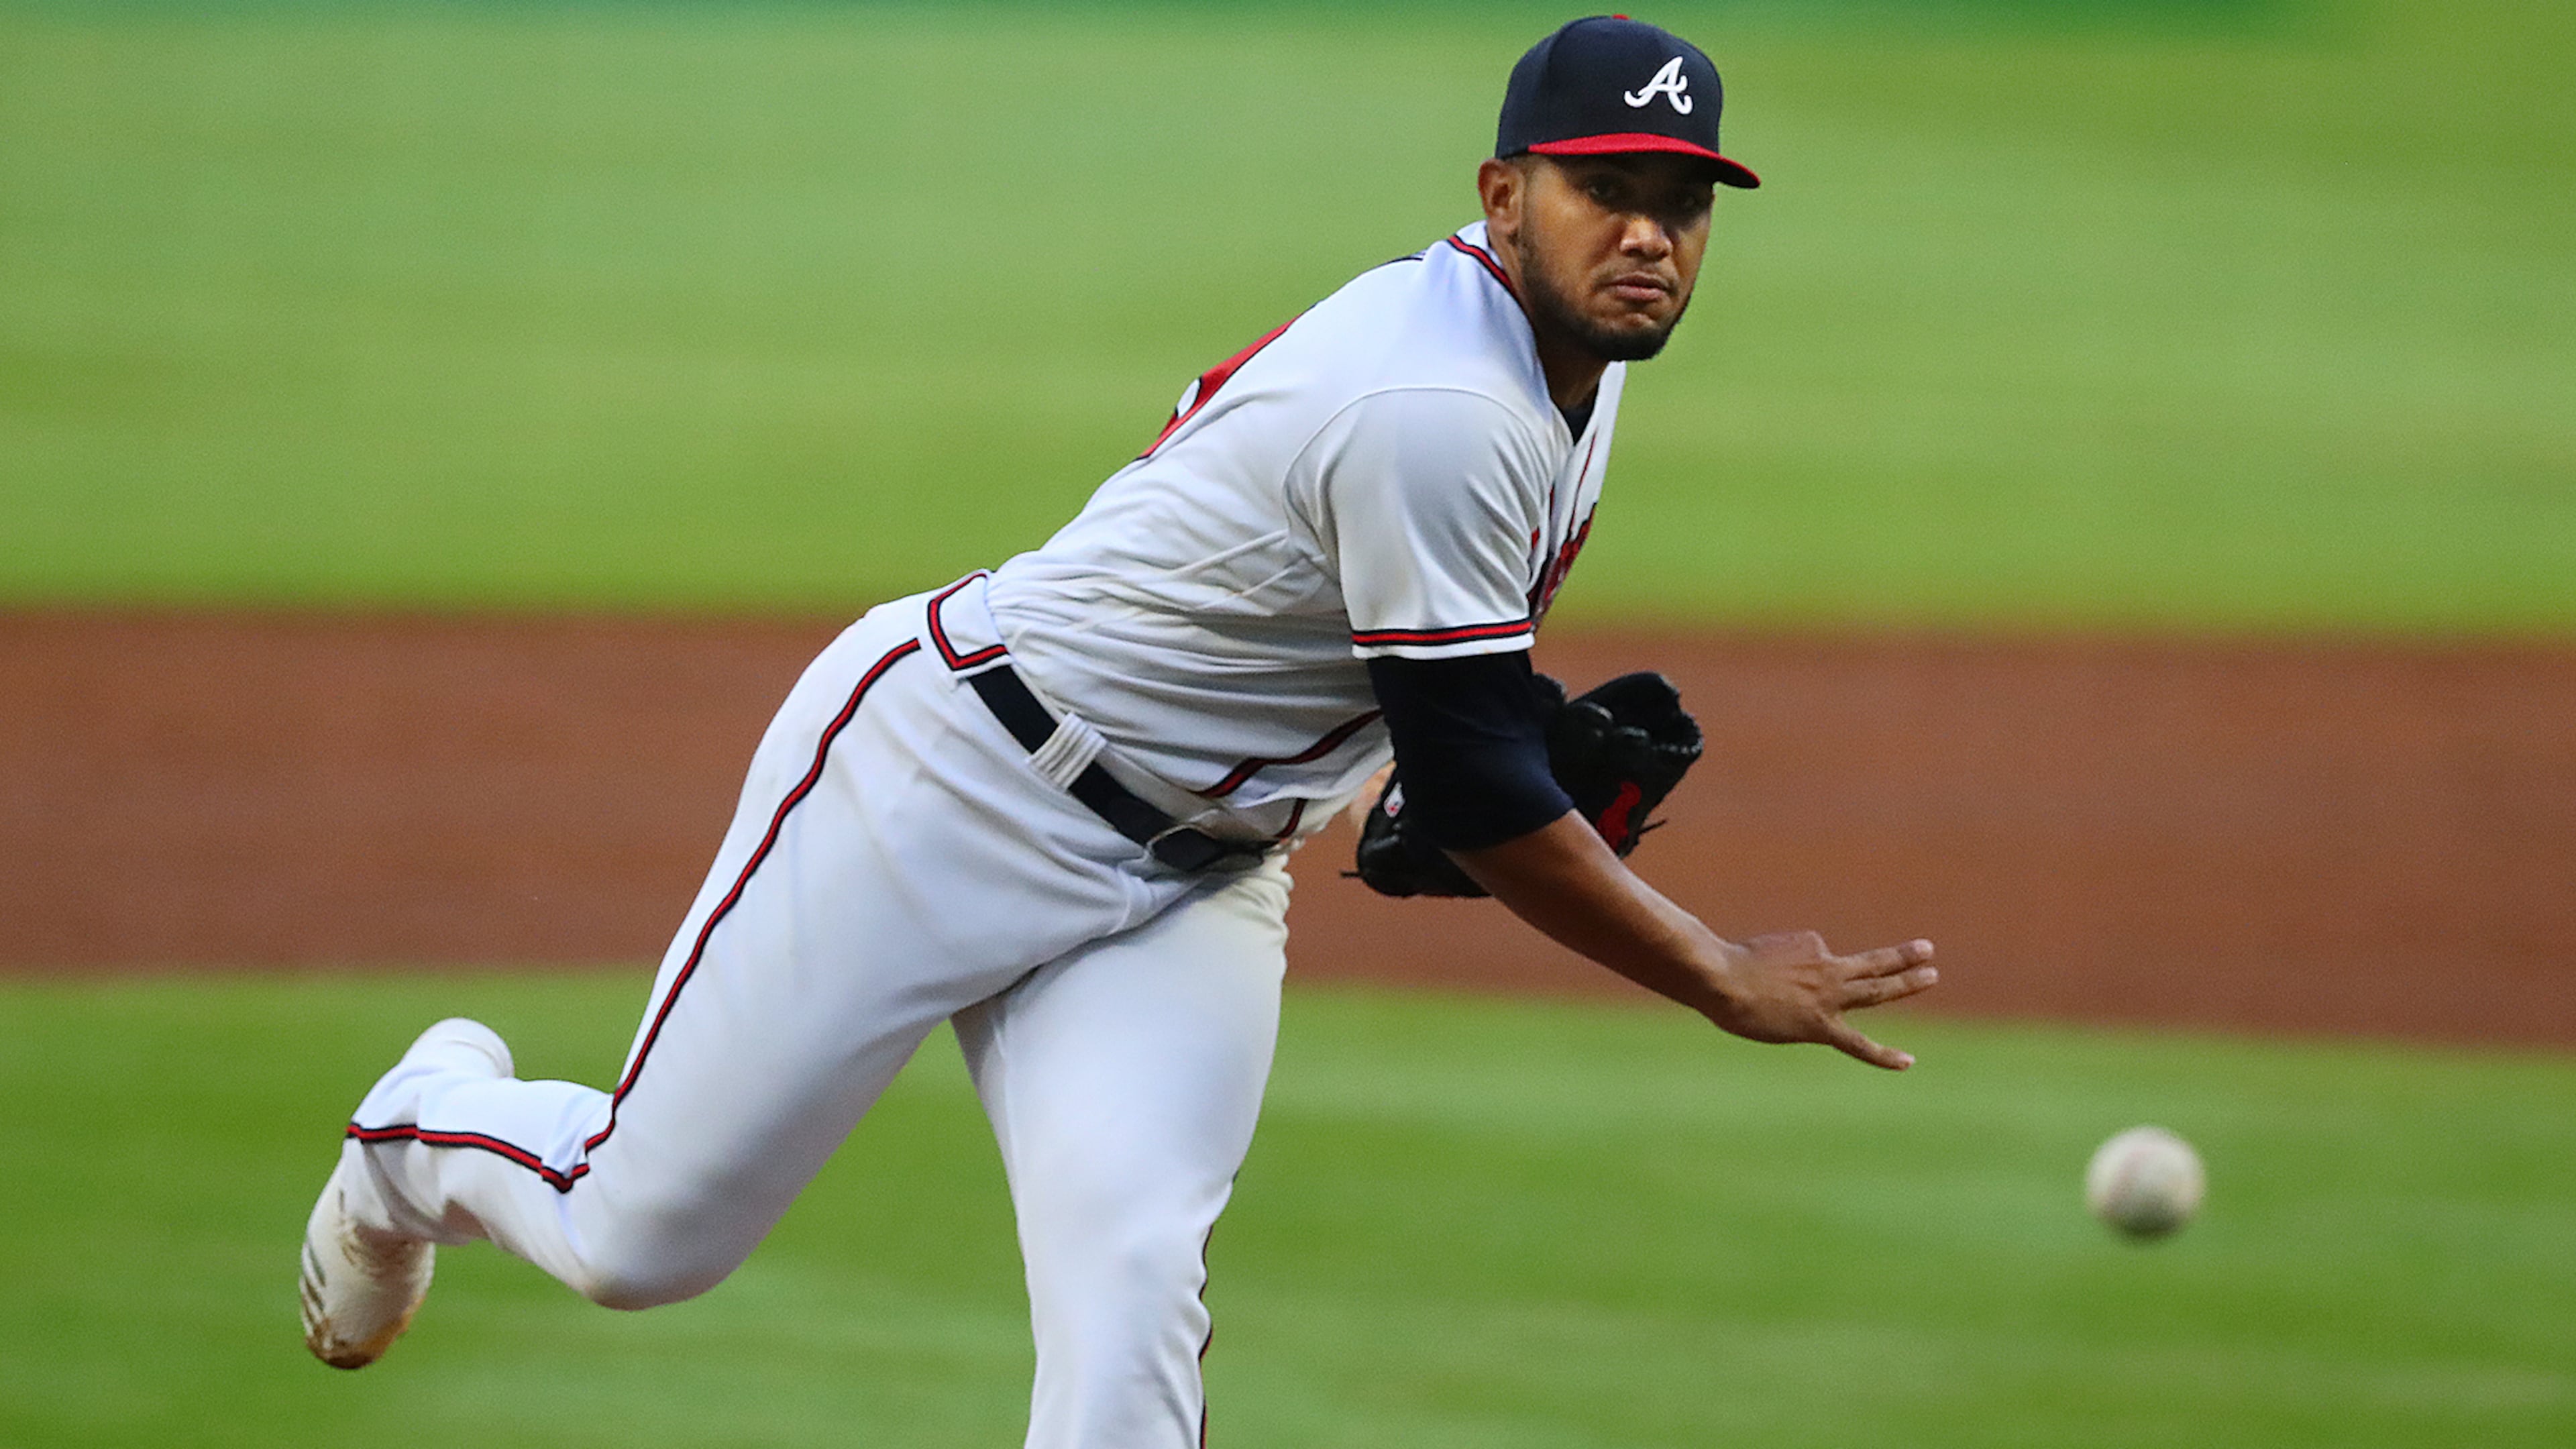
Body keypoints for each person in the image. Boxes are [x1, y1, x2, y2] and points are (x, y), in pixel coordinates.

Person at [298, 15, 1937, 1447]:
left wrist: (1432, 761)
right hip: (952, 783)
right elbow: (1477, 776)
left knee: (1134, 1285)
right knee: (639, 1238)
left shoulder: (1582, 359)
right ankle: (411, 1134)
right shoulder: (1436, 401)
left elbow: (1427, 691)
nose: (1649, 235)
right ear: (1504, 195)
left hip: (1192, 880)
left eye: (1681, 201)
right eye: (1607, 192)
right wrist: (1714, 970)